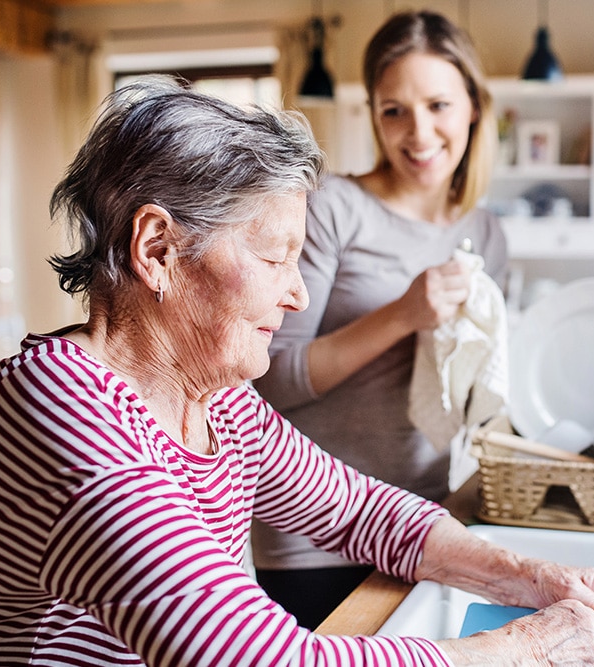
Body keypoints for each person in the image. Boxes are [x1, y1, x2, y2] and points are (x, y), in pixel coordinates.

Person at [0, 78, 594, 666]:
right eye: (274, 257)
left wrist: (528, 575)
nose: (299, 294)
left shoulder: (218, 398)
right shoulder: (61, 408)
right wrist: (521, 651)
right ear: (158, 249)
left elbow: (361, 511)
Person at [251, 9, 509, 627]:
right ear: (373, 115)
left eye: (439, 105)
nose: (418, 133)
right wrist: (401, 315)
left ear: (473, 107)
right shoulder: (333, 207)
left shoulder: (485, 231)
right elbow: (269, 380)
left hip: (425, 519)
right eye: (394, 110)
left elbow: (474, 376)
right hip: (313, 534)